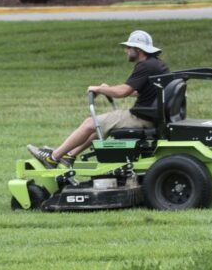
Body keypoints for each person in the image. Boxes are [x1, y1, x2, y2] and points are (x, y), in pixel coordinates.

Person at [27, 30, 170, 168]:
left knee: (90, 122)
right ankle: (69, 155)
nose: (125, 50)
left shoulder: (144, 66)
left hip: (141, 118)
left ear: (138, 49)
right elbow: (141, 91)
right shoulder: (157, 64)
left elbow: (123, 91)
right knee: (100, 125)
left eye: (128, 47)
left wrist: (99, 89)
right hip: (153, 117)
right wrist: (108, 89)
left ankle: (52, 158)